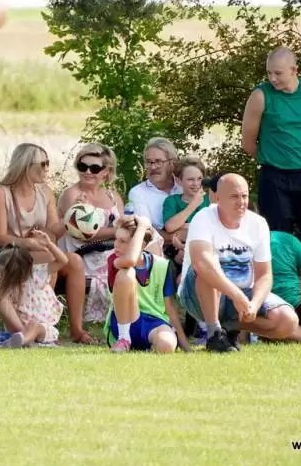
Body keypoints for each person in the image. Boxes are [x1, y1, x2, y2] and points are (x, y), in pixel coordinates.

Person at [178, 174, 299, 352]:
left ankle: (231, 328)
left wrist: (254, 304)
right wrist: (236, 295)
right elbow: (200, 262)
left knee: (288, 321)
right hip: (197, 295)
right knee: (209, 263)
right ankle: (214, 334)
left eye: (244, 196)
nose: (241, 202)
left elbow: (264, 274)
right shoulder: (203, 217)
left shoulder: (258, 223)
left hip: (241, 295)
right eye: (234, 196)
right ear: (218, 199)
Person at [0, 143, 90, 343]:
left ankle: (76, 330)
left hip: (40, 258)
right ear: (26, 165)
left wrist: (73, 213)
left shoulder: (45, 192)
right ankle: (39, 326)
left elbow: (54, 231)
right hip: (9, 258)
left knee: (74, 261)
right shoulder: (0, 193)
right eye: (43, 163)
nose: (47, 168)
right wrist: (28, 242)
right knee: (49, 256)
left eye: (48, 163)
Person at [240, 47, 301, 268]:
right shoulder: (261, 95)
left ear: (294, 70)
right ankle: (284, 290)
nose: (272, 78)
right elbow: (247, 142)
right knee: (279, 248)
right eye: (269, 73)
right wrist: (274, 158)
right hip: (275, 177)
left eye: (278, 73)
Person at [57, 143, 124, 324]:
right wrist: (115, 231)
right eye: (82, 166)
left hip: (109, 251)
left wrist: (122, 231)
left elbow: (123, 229)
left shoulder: (112, 197)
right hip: (81, 255)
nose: (87, 172)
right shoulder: (72, 195)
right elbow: (82, 233)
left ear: (106, 172)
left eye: (94, 168)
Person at [104, 215, 191, 353]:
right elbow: (131, 260)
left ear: (142, 245)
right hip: (128, 320)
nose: (116, 244)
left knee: (166, 345)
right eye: (116, 239)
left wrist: (186, 347)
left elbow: (170, 310)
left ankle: (150, 345)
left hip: (154, 323)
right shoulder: (115, 260)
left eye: (123, 241)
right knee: (126, 274)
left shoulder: (161, 265)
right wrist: (142, 226)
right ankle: (124, 339)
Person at [0, 230, 68, 348]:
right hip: (18, 326)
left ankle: (22, 340)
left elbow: (63, 261)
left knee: (35, 327)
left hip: (42, 327)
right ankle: (21, 338)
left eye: (4, 274)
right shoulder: (7, 287)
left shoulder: (37, 274)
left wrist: (49, 244)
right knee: (0, 299)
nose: (1, 277)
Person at [163, 156, 211, 341]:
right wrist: (193, 206)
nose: (196, 184)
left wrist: (184, 227)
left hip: (203, 251)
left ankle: (204, 325)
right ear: (179, 180)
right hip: (176, 253)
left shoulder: (210, 200)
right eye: (190, 179)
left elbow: (210, 229)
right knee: (178, 276)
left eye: (199, 179)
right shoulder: (172, 201)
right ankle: (183, 324)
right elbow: (170, 227)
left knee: (195, 275)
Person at [125, 137, 181, 239]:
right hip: (158, 247)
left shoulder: (185, 186)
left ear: (172, 163)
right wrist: (183, 236)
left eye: (158, 161)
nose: (153, 167)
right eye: (148, 162)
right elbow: (147, 232)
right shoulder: (138, 193)